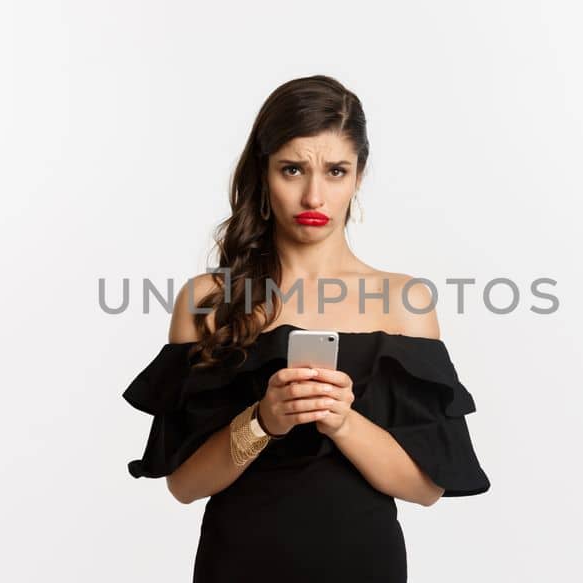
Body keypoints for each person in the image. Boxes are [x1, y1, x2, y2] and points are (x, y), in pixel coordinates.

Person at [123, 74, 490, 583]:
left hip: (363, 562)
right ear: (264, 172)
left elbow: (425, 488)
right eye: (292, 169)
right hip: (238, 562)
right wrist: (264, 420)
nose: (313, 195)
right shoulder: (207, 300)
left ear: (358, 177)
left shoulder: (405, 301)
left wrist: (342, 421)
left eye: (336, 171)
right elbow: (183, 485)